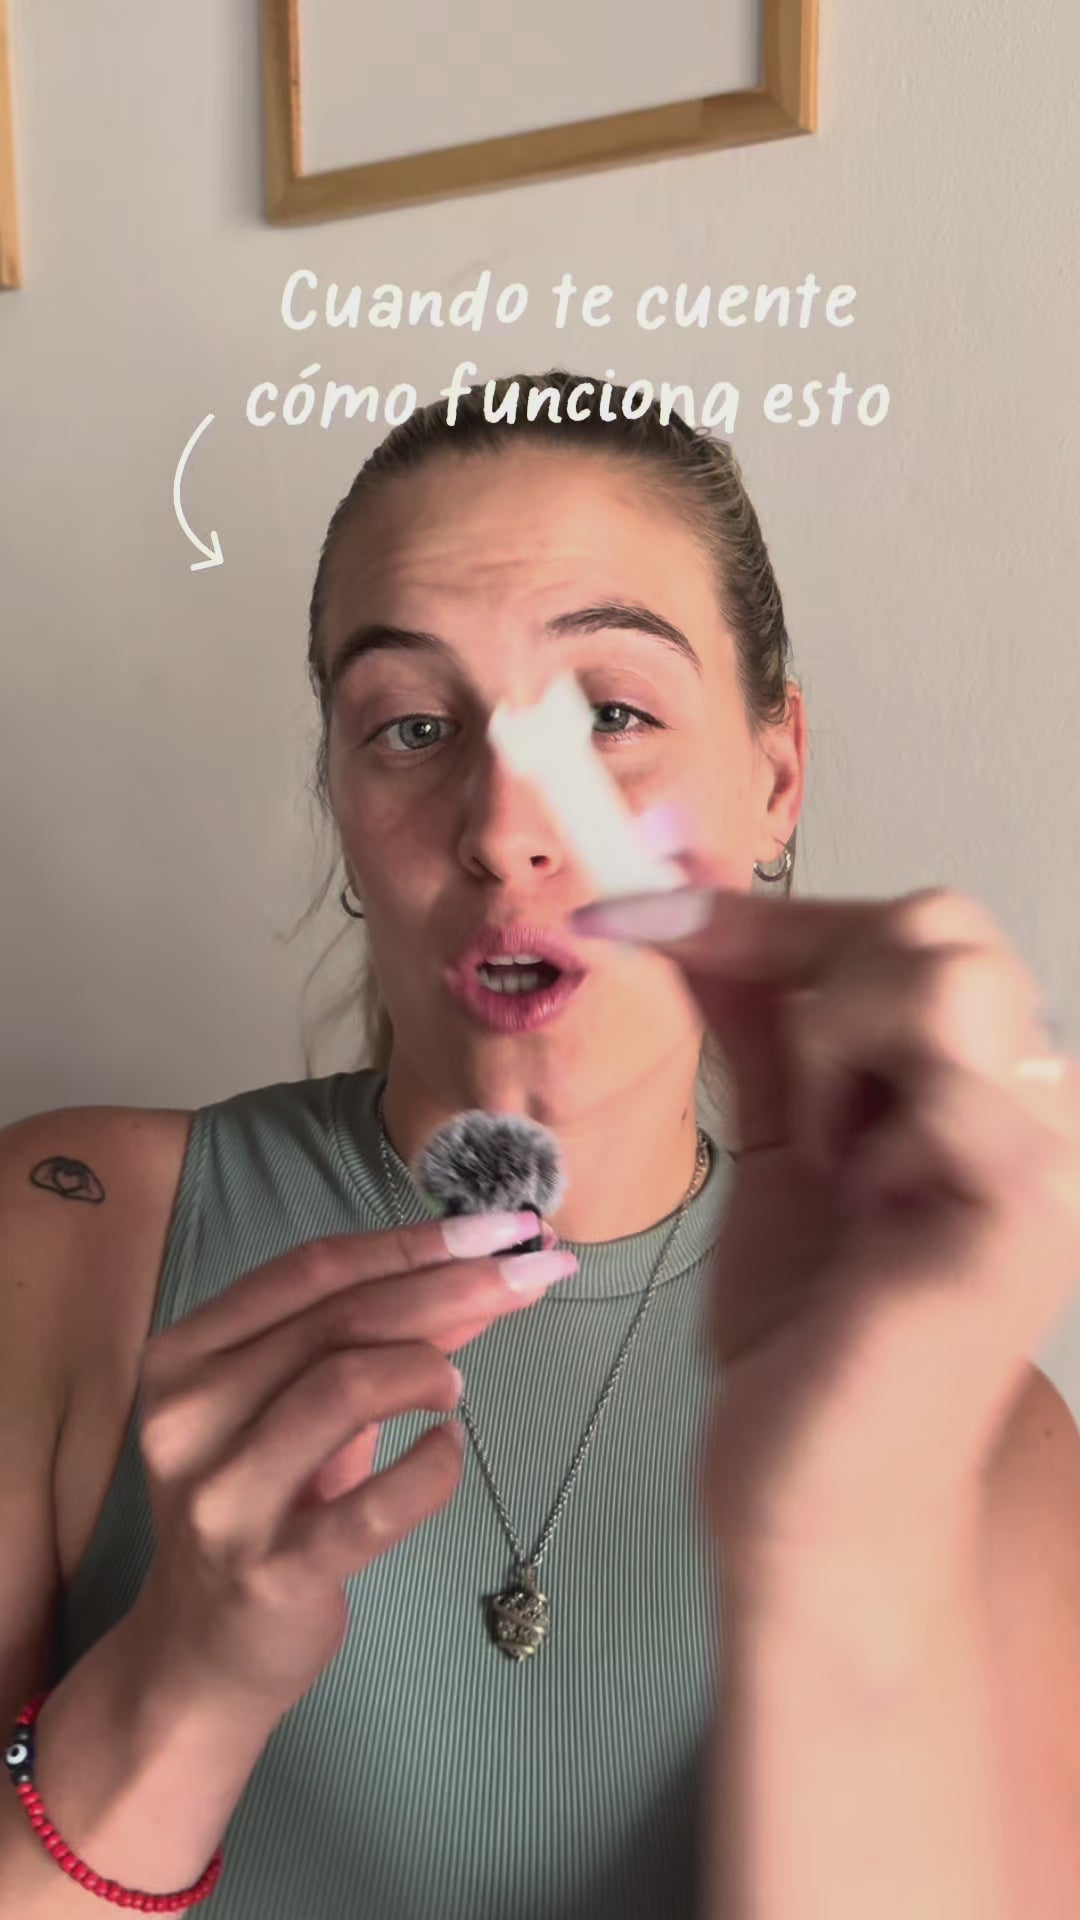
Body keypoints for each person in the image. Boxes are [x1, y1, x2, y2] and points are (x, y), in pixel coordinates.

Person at [1, 370, 1078, 1920]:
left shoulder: (983, 1433)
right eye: (411, 726)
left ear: (776, 773)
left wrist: (836, 1563)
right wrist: (184, 1684)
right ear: (338, 798)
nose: (506, 828)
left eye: (610, 715)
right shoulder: (67, 1238)